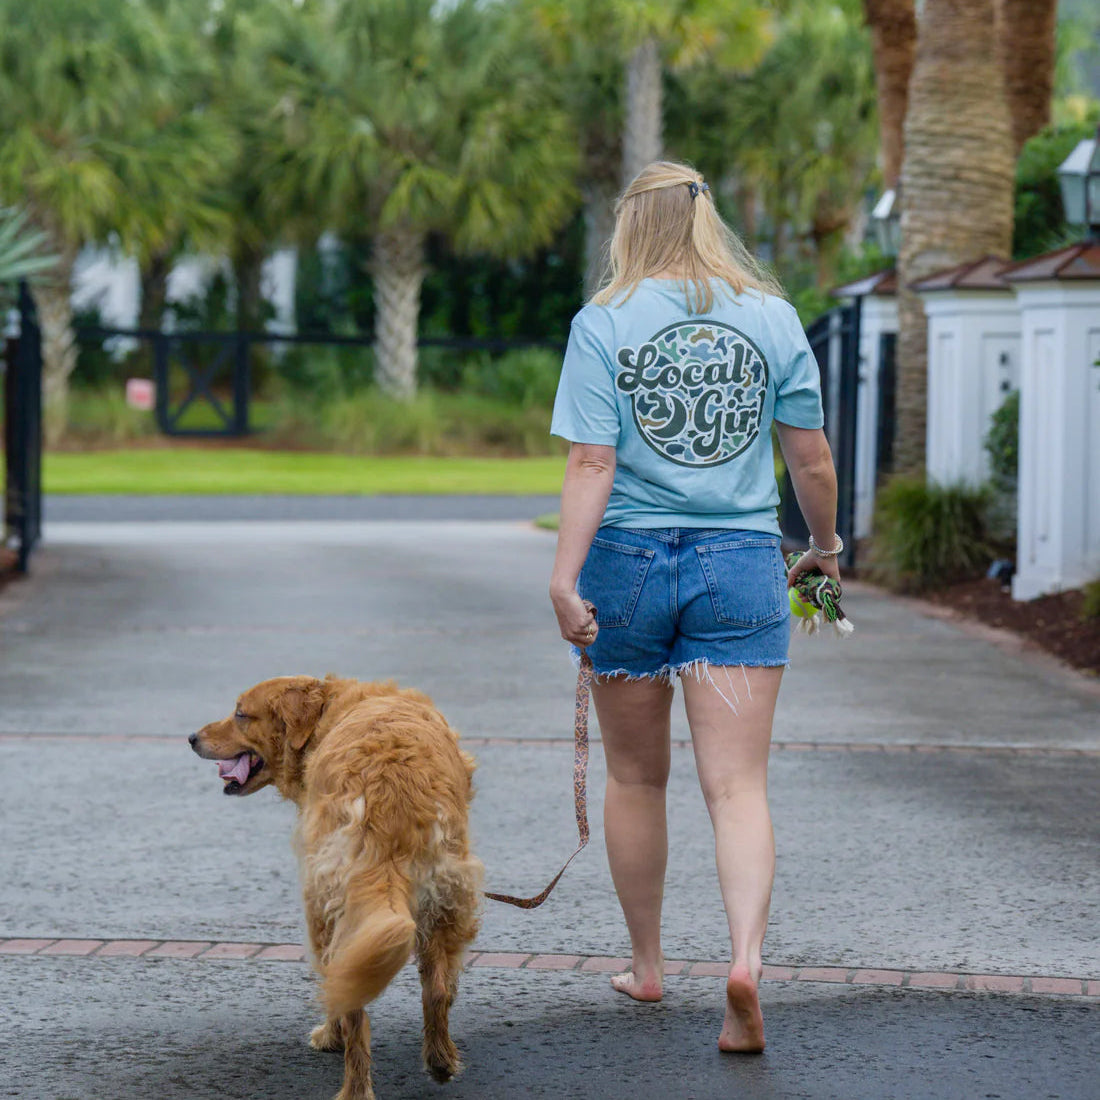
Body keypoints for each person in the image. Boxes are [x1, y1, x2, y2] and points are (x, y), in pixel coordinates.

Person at [548, 161, 841, 1053]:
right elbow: (812, 462)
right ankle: (745, 962)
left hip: (625, 564)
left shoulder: (603, 321)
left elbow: (591, 464)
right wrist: (822, 550)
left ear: (630, 226)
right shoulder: (772, 317)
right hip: (743, 560)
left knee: (638, 778)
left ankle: (647, 967)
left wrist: (565, 579)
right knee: (739, 786)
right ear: (708, 218)